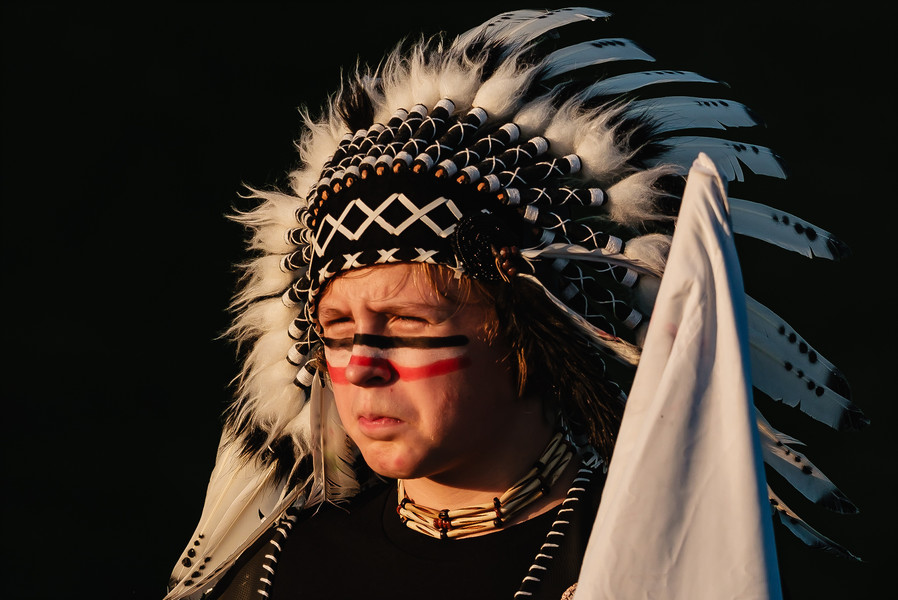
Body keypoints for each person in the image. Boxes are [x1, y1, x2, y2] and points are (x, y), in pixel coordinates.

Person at [164, 7, 865, 599]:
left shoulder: (644, 554)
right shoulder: (274, 570)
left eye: (407, 324)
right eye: (338, 330)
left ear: (526, 332)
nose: (360, 367)